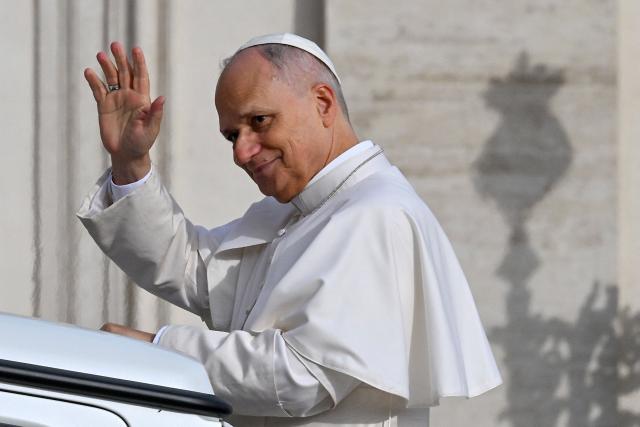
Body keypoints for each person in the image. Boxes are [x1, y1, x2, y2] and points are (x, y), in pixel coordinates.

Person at [78, 33, 502, 426]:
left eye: (259, 121)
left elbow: (304, 376)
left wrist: (160, 352)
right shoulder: (294, 212)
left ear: (322, 103)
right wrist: (131, 163)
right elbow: (191, 268)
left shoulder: (376, 215)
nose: (242, 152)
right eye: (232, 135)